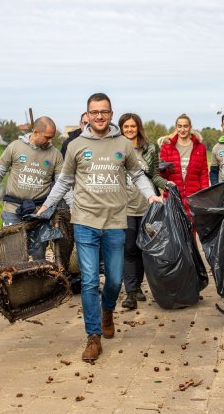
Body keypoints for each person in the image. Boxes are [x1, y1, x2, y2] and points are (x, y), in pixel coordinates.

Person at [37, 94, 161, 363]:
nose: (100, 116)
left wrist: (150, 195)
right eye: (95, 112)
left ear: (111, 114)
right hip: (85, 223)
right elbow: (64, 181)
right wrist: (47, 205)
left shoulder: (122, 144)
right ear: (88, 114)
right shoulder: (76, 145)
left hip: (116, 222)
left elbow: (138, 174)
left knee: (115, 280)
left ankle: (107, 310)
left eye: (104, 112)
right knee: (91, 281)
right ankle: (93, 336)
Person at [0, 116, 63, 260]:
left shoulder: (55, 154)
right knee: (14, 255)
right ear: (35, 132)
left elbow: (62, 184)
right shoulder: (15, 147)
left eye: (52, 137)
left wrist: (73, 207)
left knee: (39, 257)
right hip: (13, 210)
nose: (50, 141)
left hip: (39, 213)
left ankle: (37, 282)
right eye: (47, 137)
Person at [118, 113, 168, 310]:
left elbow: (154, 175)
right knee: (129, 249)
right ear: (121, 129)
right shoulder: (116, 149)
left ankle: (138, 286)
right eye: (126, 127)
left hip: (147, 208)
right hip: (125, 208)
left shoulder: (150, 149)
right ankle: (130, 292)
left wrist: (167, 185)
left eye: (133, 126)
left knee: (143, 250)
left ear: (138, 127)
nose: (130, 130)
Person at [159, 114, 209, 217]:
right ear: (176, 128)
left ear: (190, 127)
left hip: (194, 198)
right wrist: (162, 170)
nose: (182, 129)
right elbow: (162, 177)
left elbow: (203, 175)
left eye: (185, 126)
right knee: (175, 231)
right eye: (179, 126)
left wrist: (204, 196)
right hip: (173, 197)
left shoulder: (200, 148)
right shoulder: (167, 148)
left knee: (191, 231)